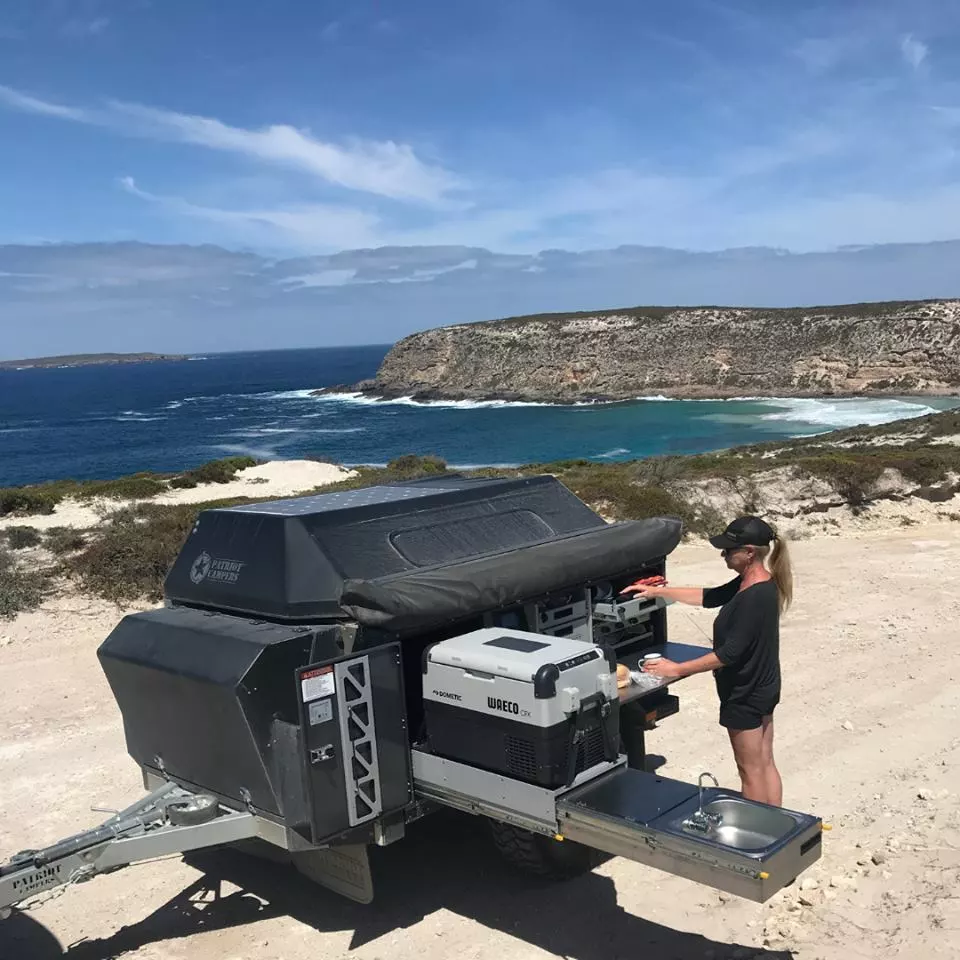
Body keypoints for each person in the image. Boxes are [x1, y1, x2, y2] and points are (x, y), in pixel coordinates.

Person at [624, 516, 793, 806]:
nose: (723, 554)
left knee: (750, 770)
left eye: (728, 550)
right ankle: (776, 821)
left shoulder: (753, 596)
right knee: (764, 761)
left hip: (744, 691)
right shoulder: (756, 583)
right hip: (762, 685)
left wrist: (676, 668)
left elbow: (729, 654)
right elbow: (710, 596)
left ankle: (759, 828)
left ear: (749, 552)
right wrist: (659, 591)